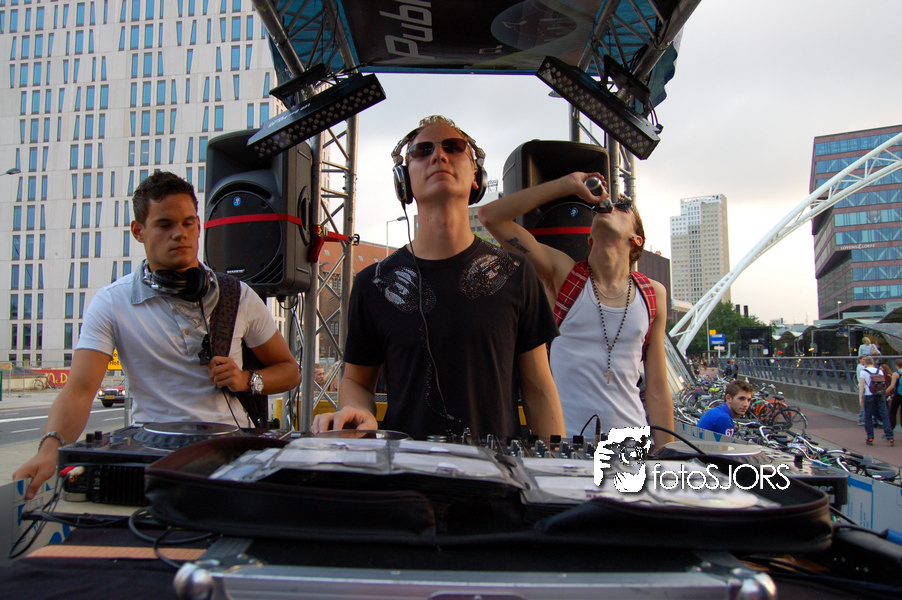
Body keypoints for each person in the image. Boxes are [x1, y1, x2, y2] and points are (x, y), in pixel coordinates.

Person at [14, 171, 301, 499]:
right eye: (165, 225)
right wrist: (50, 449)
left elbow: (290, 371)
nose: (180, 234)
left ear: (198, 225)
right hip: (151, 455)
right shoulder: (112, 302)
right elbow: (79, 391)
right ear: (139, 231)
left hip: (230, 455)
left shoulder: (238, 296)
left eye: (188, 223)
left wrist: (246, 380)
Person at [311, 116, 564, 440]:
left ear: (476, 176)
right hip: (406, 469)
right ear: (404, 180)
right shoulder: (373, 283)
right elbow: (356, 382)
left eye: (454, 147)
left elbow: (539, 388)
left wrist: (555, 461)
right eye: (423, 150)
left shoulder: (515, 273)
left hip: (496, 470)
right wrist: (357, 410)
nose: (438, 156)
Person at [477, 171, 673, 447]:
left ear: (636, 239)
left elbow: (657, 389)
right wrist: (568, 184)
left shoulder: (653, 293)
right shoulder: (565, 276)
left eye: (623, 207)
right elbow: (491, 217)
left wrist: (666, 455)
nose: (610, 206)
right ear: (590, 238)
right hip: (567, 445)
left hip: (630, 447)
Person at [859, 356, 894, 446]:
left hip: (868, 395)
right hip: (879, 394)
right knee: (884, 415)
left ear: (865, 363)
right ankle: (890, 436)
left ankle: (870, 437)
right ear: (873, 362)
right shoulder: (879, 371)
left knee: (868, 416)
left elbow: (862, 385)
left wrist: (860, 398)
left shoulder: (863, 372)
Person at [888, 358, 902, 432]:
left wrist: (885, 392)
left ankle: (891, 428)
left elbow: (892, 386)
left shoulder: (896, 374)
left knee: (893, 411)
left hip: (898, 394)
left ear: (896, 365)